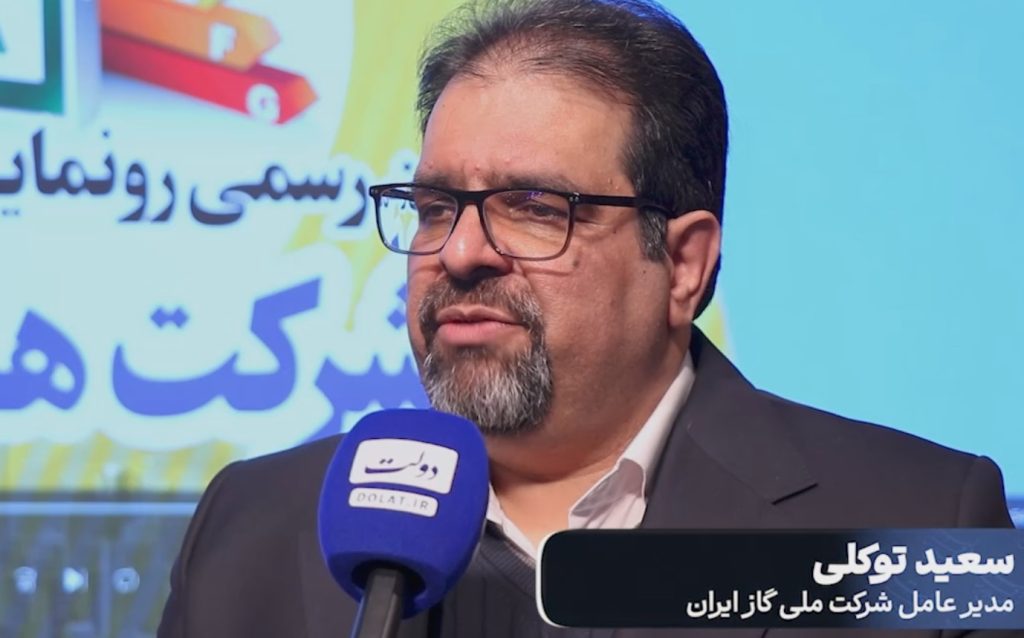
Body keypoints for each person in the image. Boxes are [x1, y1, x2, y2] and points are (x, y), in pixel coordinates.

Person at [158, 1, 1015, 636]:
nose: (461, 252)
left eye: (534, 207)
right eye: (434, 207)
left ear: (684, 264)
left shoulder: (920, 524)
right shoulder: (254, 526)